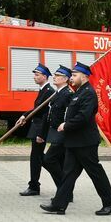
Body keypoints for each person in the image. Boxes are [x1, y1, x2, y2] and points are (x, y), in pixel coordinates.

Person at [40, 62, 111, 216]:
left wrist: (66, 125)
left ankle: (110, 204)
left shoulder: (88, 93)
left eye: (74, 75)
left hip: (85, 143)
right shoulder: (79, 92)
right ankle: (59, 205)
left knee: (95, 173)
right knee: (68, 174)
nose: (72, 78)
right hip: (74, 142)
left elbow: (83, 116)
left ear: (84, 76)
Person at [18, 63, 55, 196]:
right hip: (37, 127)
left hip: (41, 128)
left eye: (37, 74)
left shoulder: (49, 91)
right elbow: (37, 109)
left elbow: (45, 113)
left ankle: (37, 185)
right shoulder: (43, 90)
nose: (35, 77)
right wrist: (24, 115)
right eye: (35, 74)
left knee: (39, 158)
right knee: (37, 157)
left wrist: (41, 133)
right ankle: (35, 185)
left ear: (44, 77)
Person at [42, 65, 74, 195]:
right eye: (54, 75)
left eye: (58, 76)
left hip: (63, 134)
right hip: (55, 132)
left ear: (66, 79)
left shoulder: (67, 94)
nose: (54, 77)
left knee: (48, 160)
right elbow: (49, 114)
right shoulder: (57, 94)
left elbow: (70, 114)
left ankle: (64, 190)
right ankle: (64, 192)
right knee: (59, 162)